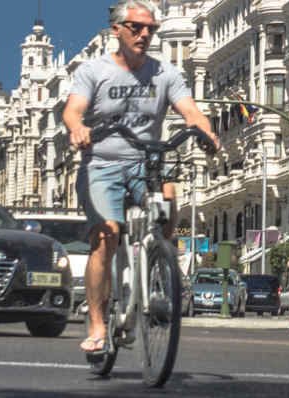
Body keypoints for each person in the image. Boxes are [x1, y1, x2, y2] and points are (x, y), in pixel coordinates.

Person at [63, 0, 221, 354]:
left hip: (146, 162)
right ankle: (98, 323)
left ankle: (156, 267)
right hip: (102, 166)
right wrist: (78, 129)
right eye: (136, 27)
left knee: (167, 202)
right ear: (117, 30)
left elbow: (192, 112)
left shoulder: (165, 73)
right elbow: (73, 110)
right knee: (107, 237)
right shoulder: (93, 70)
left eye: (150, 28)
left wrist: (206, 133)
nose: (145, 34)